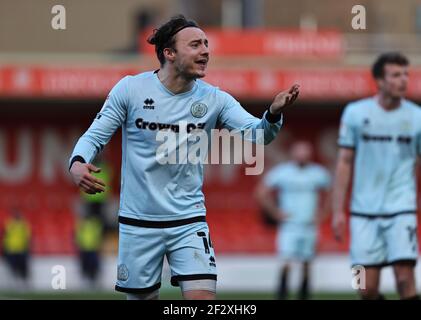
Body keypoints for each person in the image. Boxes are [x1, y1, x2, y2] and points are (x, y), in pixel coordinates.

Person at [68, 15, 299, 300]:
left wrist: (273, 113)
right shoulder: (130, 90)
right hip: (138, 223)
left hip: (188, 221)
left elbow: (258, 135)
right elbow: (94, 136)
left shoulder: (215, 99)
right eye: (195, 45)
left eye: (206, 44)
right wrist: (78, 162)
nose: (205, 51)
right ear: (170, 53)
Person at [332, 52, 420, 300]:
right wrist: (338, 211)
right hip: (363, 213)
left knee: (404, 278)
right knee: (365, 289)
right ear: (379, 81)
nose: (403, 80)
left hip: (401, 209)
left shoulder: (417, 117)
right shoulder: (355, 113)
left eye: (406, 74)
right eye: (395, 75)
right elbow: (344, 163)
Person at [255, 141, 331, 300]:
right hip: (289, 225)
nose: (302, 155)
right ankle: (282, 295)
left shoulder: (318, 173)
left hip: (309, 225)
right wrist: (275, 213)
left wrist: (324, 212)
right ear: (293, 153)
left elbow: (332, 192)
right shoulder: (283, 172)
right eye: (299, 152)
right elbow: (261, 192)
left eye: (305, 152)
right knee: (286, 262)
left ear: (309, 154)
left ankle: (303, 296)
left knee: (307, 263)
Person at [2, 208, 31, 289]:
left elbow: (28, 236)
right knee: (13, 266)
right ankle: (15, 282)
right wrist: (5, 247)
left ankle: (24, 282)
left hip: (21, 249)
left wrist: (27, 247)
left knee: (23, 266)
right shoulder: (9, 223)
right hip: (11, 249)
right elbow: (5, 235)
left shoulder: (23, 224)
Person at [75, 213, 104, 288]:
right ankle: (88, 281)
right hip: (88, 248)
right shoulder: (90, 224)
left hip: (90, 248)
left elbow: (79, 235)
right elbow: (78, 235)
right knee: (87, 265)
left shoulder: (84, 224)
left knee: (91, 265)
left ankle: (92, 280)